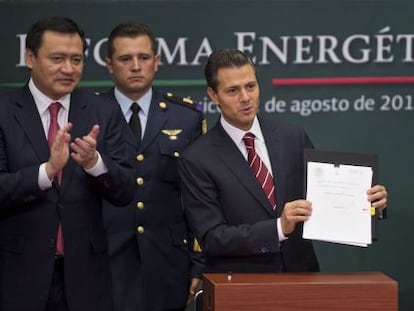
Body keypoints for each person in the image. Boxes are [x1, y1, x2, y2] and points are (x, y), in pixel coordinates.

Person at [178, 49, 388, 273]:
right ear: (213, 95)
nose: (245, 98)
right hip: (242, 287)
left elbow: (324, 196)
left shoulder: (292, 137)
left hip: (301, 277)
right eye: (232, 91)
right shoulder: (197, 159)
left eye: (250, 86)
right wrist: (278, 228)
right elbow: (212, 237)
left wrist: (368, 204)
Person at [0, 17, 135, 311]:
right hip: (18, 277)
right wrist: (46, 172)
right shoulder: (4, 111)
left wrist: (95, 163)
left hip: (87, 279)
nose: (69, 69)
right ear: (30, 58)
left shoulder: (103, 111)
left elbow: (126, 190)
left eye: (76, 59)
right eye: (57, 58)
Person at [103, 22, 205, 311]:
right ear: (110, 65)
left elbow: (198, 198)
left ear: (157, 62)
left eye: (144, 58)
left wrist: (198, 263)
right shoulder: (90, 113)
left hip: (168, 262)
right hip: (106, 262)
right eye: (125, 59)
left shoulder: (186, 117)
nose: (136, 66)